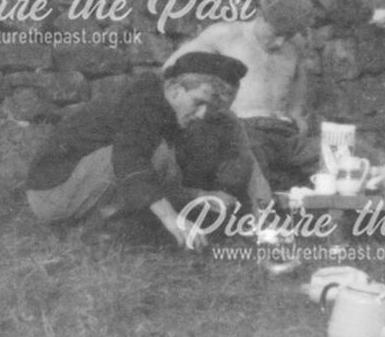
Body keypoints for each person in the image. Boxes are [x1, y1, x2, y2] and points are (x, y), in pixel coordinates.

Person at [25, 52, 247, 249]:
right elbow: (130, 161)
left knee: (164, 159)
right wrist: (171, 218)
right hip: (52, 192)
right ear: (175, 88)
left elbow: (158, 175)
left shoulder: (164, 105)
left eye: (210, 108)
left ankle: (116, 223)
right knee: (156, 154)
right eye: (198, 102)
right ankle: (98, 232)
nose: (201, 114)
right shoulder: (144, 103)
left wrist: (199, 195)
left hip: (80, 183)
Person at [163, 0, 318, 193]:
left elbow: (299, 80)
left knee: (341, 156)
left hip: (286, 133)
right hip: (245, 129)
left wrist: (297, 114)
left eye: (288, 36)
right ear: (261, 16)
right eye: (276, 33)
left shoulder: (294, 45)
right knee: (250, 166)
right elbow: (170, 70)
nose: (281, 41)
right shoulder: (226, 35)